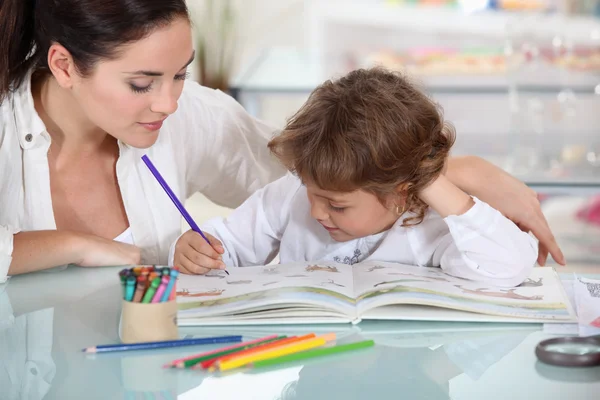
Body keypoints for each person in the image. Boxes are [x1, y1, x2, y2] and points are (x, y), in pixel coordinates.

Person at [0, 0, 564, 283]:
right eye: (142, 84)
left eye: (180, 74)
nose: (169, 104)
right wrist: (75, 247)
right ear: (64, 65)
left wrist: (461, 174)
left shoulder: (195, 116)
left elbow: (327, 170)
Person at [173, 68, 537, 287]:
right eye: (312, 193)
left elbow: (507, 266)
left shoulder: (432, 225)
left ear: (401, 193)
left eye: (336, 204)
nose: (316, 211)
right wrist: (196, 250)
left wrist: (428, 179)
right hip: (309, 361)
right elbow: (228, 247)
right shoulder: (293, 193)